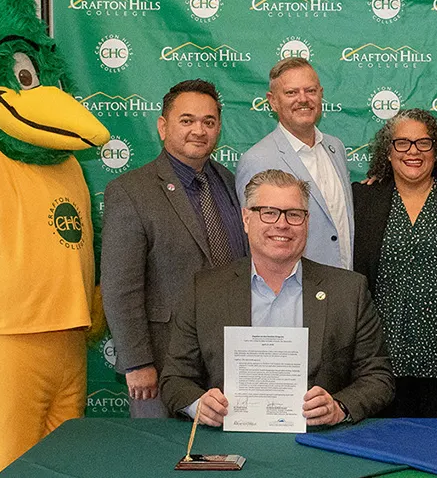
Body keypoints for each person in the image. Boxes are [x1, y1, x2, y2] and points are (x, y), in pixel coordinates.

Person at [160, 169, 394, 426]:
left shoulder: (349, 291)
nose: (281, 224)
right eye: (269, 213)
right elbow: (175, 379)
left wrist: (339, 407)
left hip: (318, 444)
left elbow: (378, 378)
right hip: (228, 441)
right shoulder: (205, 290)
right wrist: (199, 405)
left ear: (306, 222)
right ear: (246, 219)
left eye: (294, 214)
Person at [101, 80, 248, 418]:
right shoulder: (130, 191)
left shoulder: (229, 181)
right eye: (187, 120)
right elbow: (120, 287)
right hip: (163, 363)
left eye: (209, 122)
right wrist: (138, 363)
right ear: (163, 126)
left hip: (229, 358)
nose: (199, 130)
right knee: (159, 459)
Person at [352, 109, 437, 418]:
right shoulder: (363, 199)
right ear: (388, 153)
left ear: (436, 151)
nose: (413, 151)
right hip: (381, 363)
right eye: (402, 143)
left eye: (423, 143)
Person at [235, 57, 353, 269]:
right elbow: (254, 240)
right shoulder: (256, 160)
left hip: (344, 285)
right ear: (272, 101)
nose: (303, 99)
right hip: (294, 288)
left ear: (321, 94)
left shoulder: (336, 148)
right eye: (291, 93)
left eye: (310, 91)